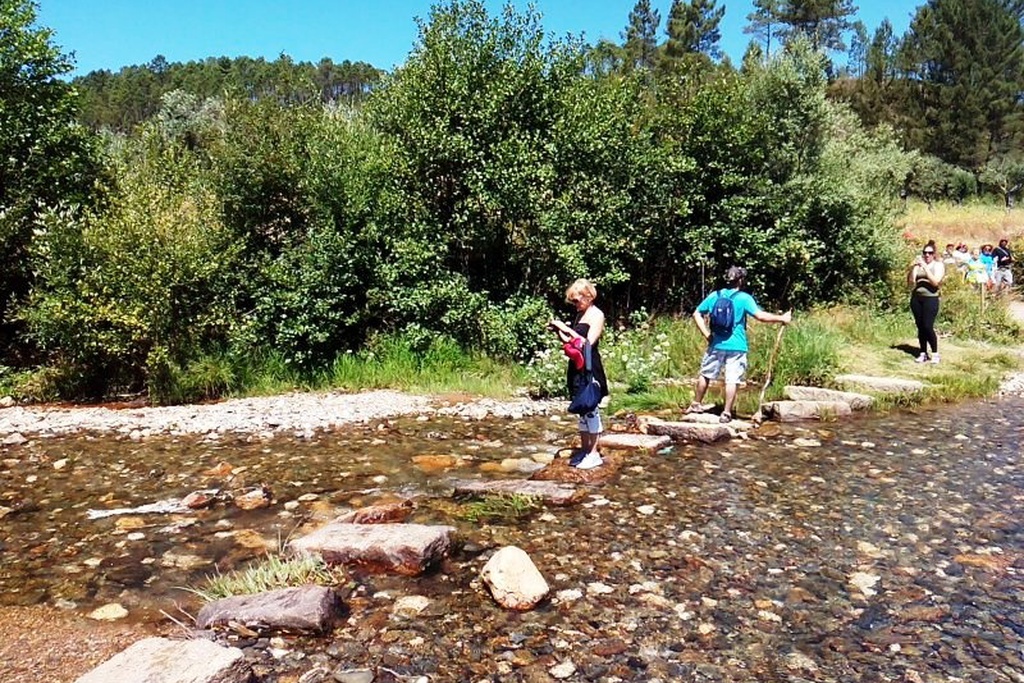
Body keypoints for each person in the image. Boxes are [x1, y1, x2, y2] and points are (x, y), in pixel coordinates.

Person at [687, 266, 791, 423]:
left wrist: (707, 335)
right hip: (737, 346)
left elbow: (696, 313)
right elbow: (760, 316)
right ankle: (726, 413)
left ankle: (695, 404)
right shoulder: (744, 298)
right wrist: (782, 318)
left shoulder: (715, 295)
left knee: (706, 374)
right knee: (732, 379)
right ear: (741, 280)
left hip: (715, 344)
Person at [548, 278, 608, 470]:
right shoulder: (580, 314)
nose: (575, 304)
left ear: (588, 296)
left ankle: (594, 453)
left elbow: (587, 342)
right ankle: (584, 449)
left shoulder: (596, 315)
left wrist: (566, 328)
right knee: (581, 411)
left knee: (591, 409)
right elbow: (571, 342)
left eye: (576, 300)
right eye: (572, 301)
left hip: (590, 367)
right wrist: (559, 332)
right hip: (576, 366)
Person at [907, 240, 945, 364]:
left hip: (931, 298)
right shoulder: (918, 266)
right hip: (917, 298)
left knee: (928, 326)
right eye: (925, 253)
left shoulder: (938, 265)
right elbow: (911, 283)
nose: (927, 255)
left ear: (934, 254)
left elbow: (935, 282)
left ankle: (935, 353)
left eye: (930, 253)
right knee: (920, 326)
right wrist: (913, 268)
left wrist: (925, 268)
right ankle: (923, 352)